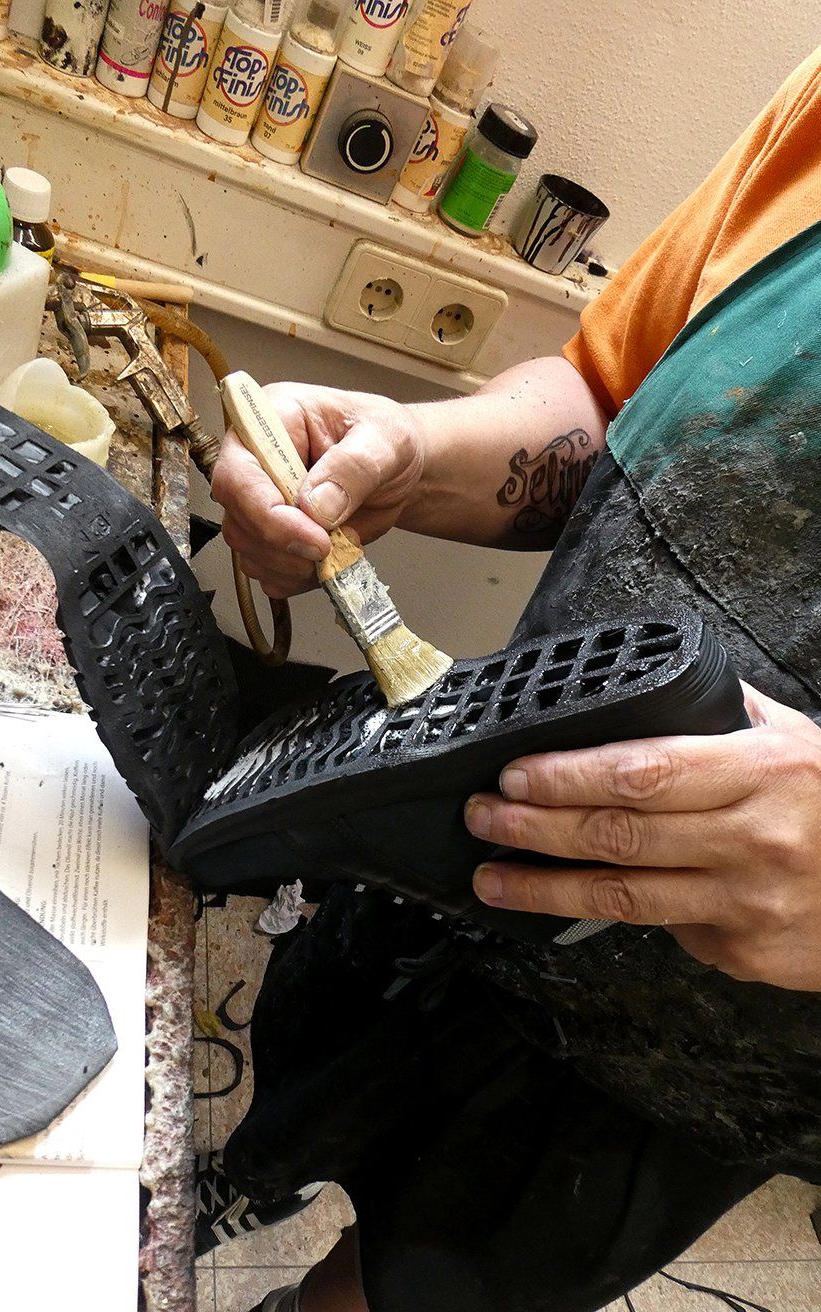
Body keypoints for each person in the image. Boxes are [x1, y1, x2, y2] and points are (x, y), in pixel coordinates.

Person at [203, 46, 821, 1312]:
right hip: (466, 865)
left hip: (695, 1068)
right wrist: (414, 451)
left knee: (402, 1291)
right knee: (296, 1123)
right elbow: (603, 396)